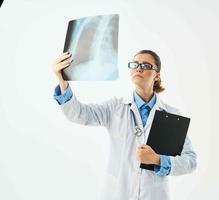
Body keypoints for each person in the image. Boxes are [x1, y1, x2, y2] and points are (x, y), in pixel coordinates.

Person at [52, 49, 197, 200]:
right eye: (135, 64)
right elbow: (79, 114)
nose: (139, 68)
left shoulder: (172, 115)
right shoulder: (114, 107)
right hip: (118, 193)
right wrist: (62, 81)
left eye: (146, 65)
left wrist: (157, 160)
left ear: (157, 75)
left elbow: (190, 161)